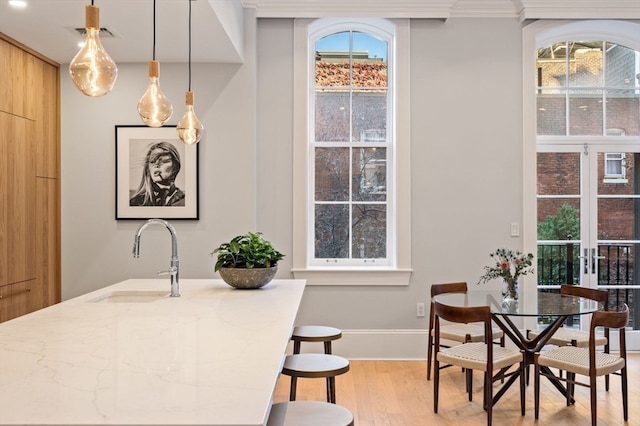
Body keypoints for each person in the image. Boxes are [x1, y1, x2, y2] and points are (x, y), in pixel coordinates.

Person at [129, 141, 185, 206]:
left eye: (164, 161)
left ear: (175, 166)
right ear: (148, 169)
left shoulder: (185, 202)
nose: (156, 165)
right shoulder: (135, 202)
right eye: (152, 161)